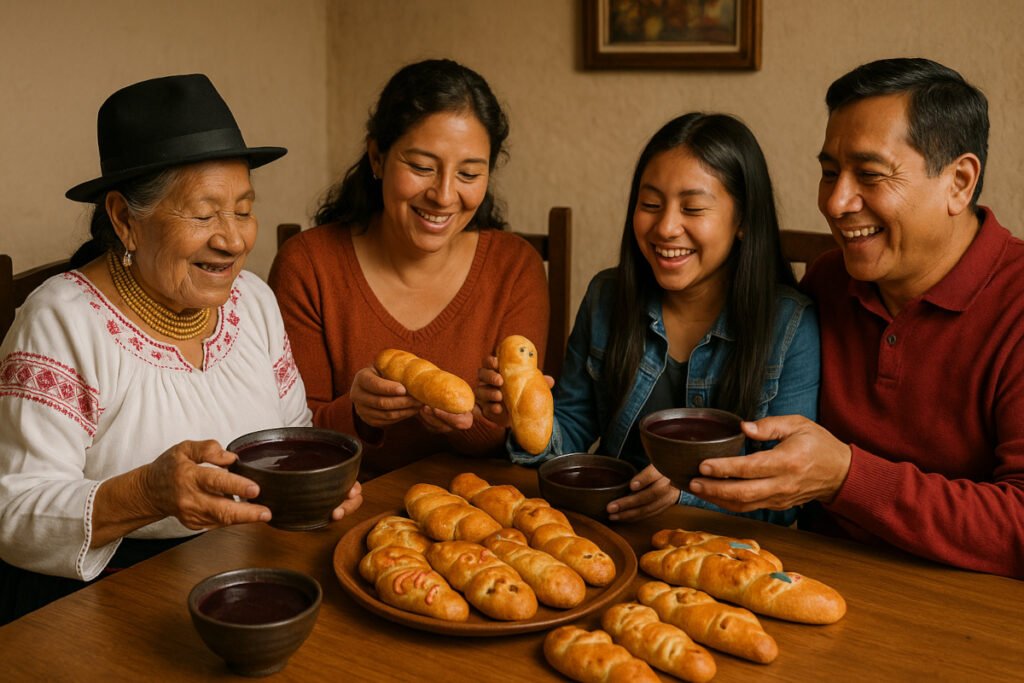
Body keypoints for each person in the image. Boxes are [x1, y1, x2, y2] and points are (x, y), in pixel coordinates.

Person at [0, 74, 363, 624]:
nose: (234, 239)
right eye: (203, 213)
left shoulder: (254, 302)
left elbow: (291, 433)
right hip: (102, 606)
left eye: (243, 210)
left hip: (246, 580)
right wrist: (147, 492)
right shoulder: (61, 323)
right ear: (125, 219)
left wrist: (313, 495)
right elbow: (12, 513)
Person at [691, 58, 1024, 579]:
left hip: (969, 615)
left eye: (869, 175)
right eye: (829, 172)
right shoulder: (827, 281)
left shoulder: (1016, 305)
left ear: (959, 181)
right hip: (810, 579)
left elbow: (1019, 528)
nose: (836, 202)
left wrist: (847, 476)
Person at [479, 113, 819, 522]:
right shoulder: (608, 296)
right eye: (650, 204)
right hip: (610, 534)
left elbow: (784, 501)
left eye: (693, 208)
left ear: (743, 220)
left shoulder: (791, 326)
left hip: (728, 557)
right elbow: (570, 433)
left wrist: (684, 496)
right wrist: (519, 419)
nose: (666, 227)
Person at [269, 59, 549, 481]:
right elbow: (292, 439)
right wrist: (357, 413)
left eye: (469, 173)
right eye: (421, 167)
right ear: (377, 158)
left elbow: (519, 445)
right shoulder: (309, 265)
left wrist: (482, 419)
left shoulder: (515, 268)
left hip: (480, 519)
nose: (444, 195)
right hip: (342, 509)